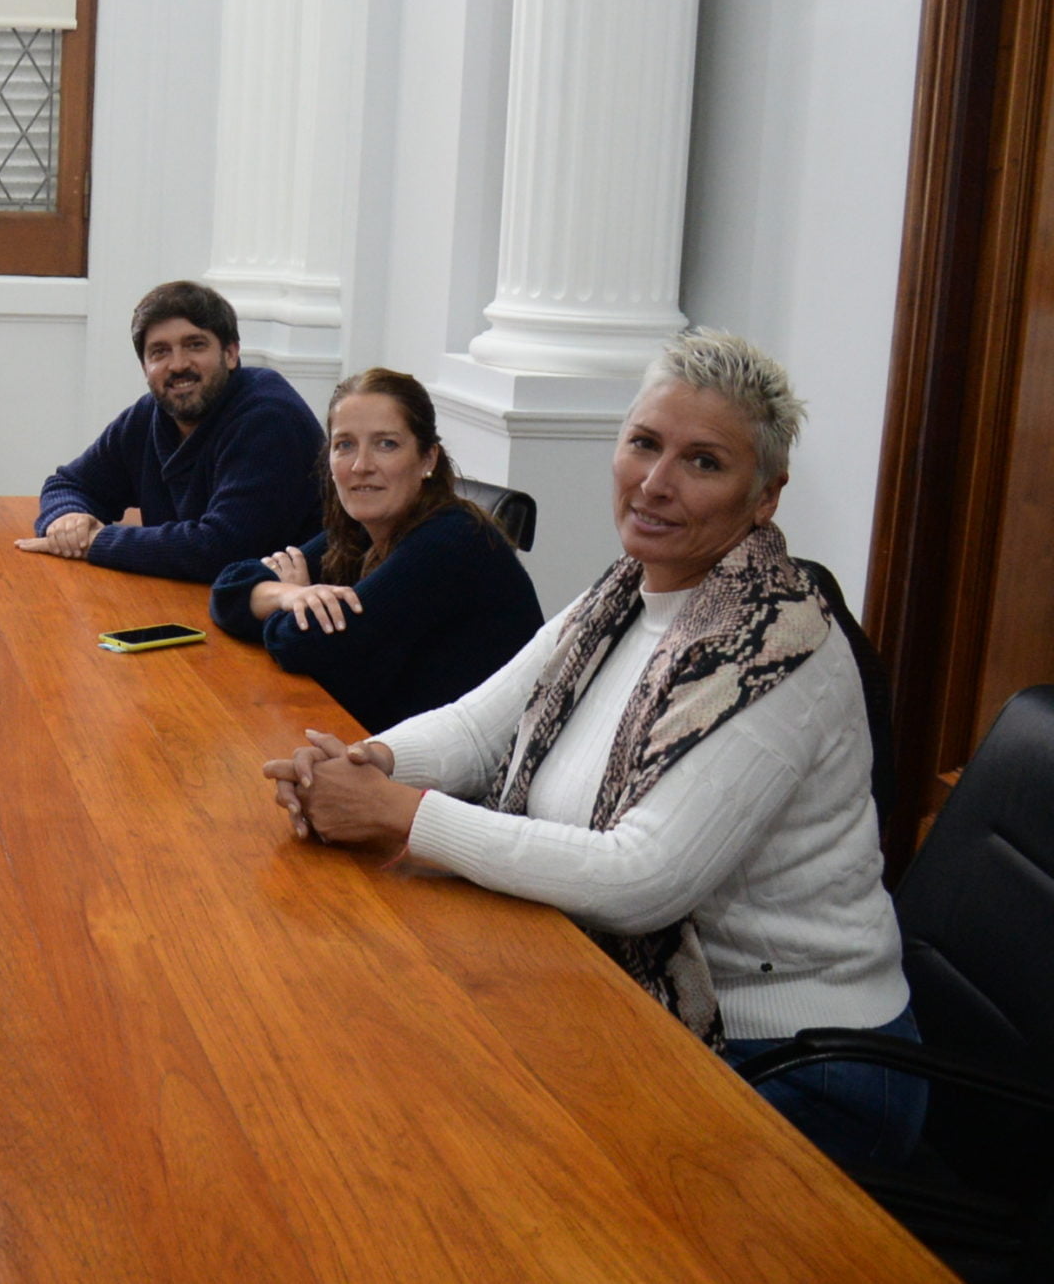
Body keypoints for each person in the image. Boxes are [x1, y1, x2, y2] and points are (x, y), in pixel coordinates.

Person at [261, 330, 919, 1169]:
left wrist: (403, 816)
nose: (655, 482)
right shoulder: (624, 594)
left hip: (798, 1060)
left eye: (703, 461)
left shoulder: (777, 647)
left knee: (471, 1154)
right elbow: (474, 724)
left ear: (765, 496)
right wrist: (363, 763)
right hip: (631, 993)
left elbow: (641, 878)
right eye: (644, 443)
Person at [211, 369, 541, 731]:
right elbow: (227, 590)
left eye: (386, 444)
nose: (361, 466)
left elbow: (307, 647)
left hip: (473, 777)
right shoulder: (360, 528)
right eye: (345, 445)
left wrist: (295, 600)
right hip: (387, 741)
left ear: (428, 458)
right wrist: (287, 596)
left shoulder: (452, 539)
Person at [21, 280, 322, 581]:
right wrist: (69, 520)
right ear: (145, 368)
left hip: (290, 613)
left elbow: (221, 549)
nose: (178, 365)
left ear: (231, 354)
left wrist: (97, 541)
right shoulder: (151, 414)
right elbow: (69, 484)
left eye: (195, 345)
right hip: (193, 598)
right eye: (160, 352)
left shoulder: (269, 418)